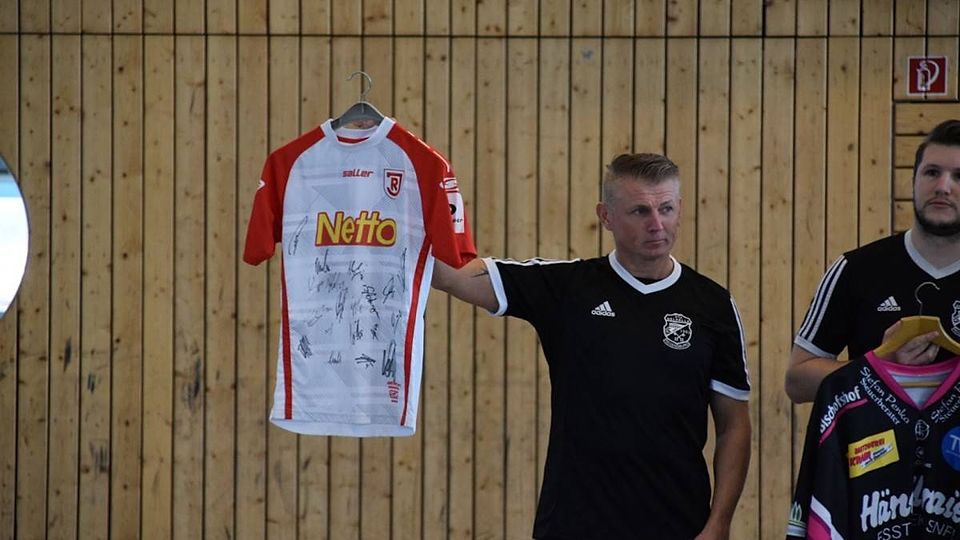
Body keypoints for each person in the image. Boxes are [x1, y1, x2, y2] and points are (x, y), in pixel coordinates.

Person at [432, 153, 752, 539]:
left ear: (680, 209)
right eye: (640, 211)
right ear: (606, 216)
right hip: (574, 525)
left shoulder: (713, 305)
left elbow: (734, 425)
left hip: (679, 524)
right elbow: (451, 276)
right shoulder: (567, 288)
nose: (657, 224)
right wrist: (389, 219)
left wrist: (719, 523)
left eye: (666, 209)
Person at [786, 119, 960, 404]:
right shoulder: (855, 269)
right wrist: (880, 365)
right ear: (913, 182)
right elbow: (797, 382)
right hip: (875, 434)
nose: (943, 186)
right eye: (932, 172)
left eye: (959, 176)